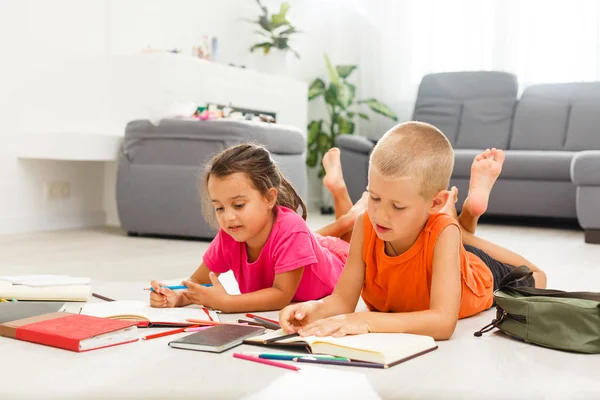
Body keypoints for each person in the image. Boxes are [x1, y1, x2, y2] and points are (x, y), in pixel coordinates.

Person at [279, 121, 547, 340]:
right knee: (446, 232)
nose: (381, 214)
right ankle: (463, 225)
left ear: (435, 203)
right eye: (374, 197)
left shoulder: (443, 234)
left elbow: (443, 323)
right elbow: (342, 299)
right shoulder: (365, 223)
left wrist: (368, 321)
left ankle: (465, 229)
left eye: (397, 206)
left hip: (476, 272)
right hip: (438, 240)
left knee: (536, 275)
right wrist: (313, 309)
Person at [149, 143, 367, 313]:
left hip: (339, 261)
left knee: (349, 239)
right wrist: (177, 297)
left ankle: (341, 196)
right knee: (308, 237)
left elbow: (281, 295)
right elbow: (197, 282)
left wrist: (228, 302)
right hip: (303, 244)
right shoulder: (230, 235)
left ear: (269, 197)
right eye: (219, 207)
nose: (228, 217)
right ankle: (345, 216)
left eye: (238, 205)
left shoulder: (291, 229)